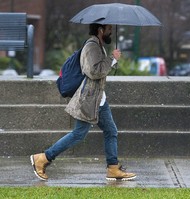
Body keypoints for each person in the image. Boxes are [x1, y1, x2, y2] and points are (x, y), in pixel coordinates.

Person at [30, 23, 136, 181]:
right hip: (89, 99)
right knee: (78, 134)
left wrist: (112, 60)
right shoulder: (91, 46)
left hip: (99, 99)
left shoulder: (99, 45)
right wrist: (112, 59)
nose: (110, 33)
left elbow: (100, 69)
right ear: (100, 30)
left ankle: (113, 168)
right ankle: (43, 158)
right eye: (108, 30)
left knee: (111, 131)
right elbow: (92, 71)